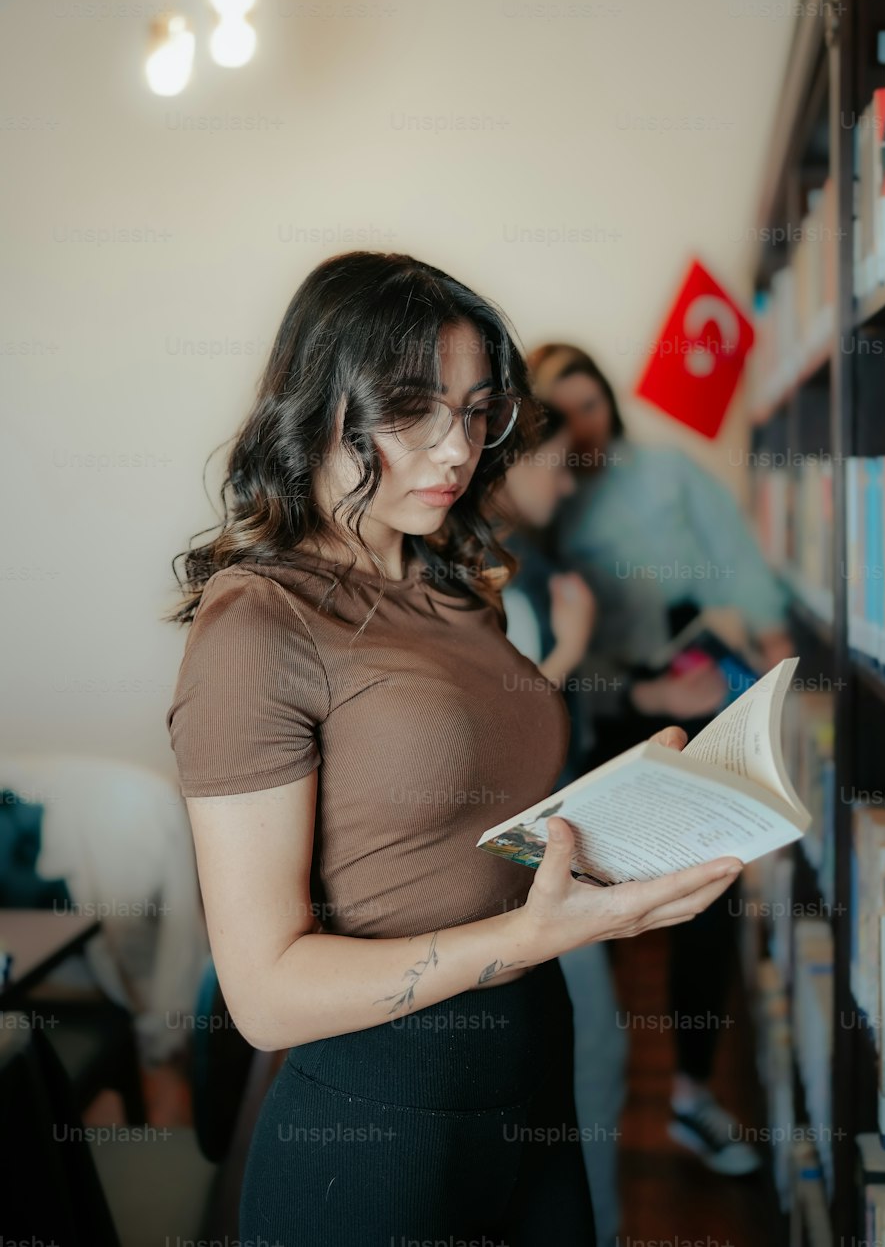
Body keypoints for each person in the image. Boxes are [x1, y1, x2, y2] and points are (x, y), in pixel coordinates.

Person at [164, 252, 746, 1247]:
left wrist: (624, 818)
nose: (455, 450)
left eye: (477, 411)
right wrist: (525, 941)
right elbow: (262, 995)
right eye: (411, 410)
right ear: (314, 404)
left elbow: (467, 833)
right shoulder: (258, 625)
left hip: (531, 1080)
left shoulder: (452, 587)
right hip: (375, 1126)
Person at [528, 342, 794, 1176]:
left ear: (610, 400)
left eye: (591, 404)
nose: (582, 428)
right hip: (607, 714)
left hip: (698, 694)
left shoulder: (672, 473)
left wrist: (769, 652)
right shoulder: (547, 507)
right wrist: (639, 696)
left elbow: (742, 567)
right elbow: (562, 668)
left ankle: (690, 1091)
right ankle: (582, 1085)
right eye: (560, 413)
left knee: (712, 889)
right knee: (591, 898)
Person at [488, 398, 627, 1247]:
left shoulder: (528, 563)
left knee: (582, 1062)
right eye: (550, 462)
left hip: (537, 848)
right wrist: (570, 651)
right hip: (520, 861)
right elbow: (503, 733)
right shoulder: (496, 575)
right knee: (593, 1061)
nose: (564, 483)